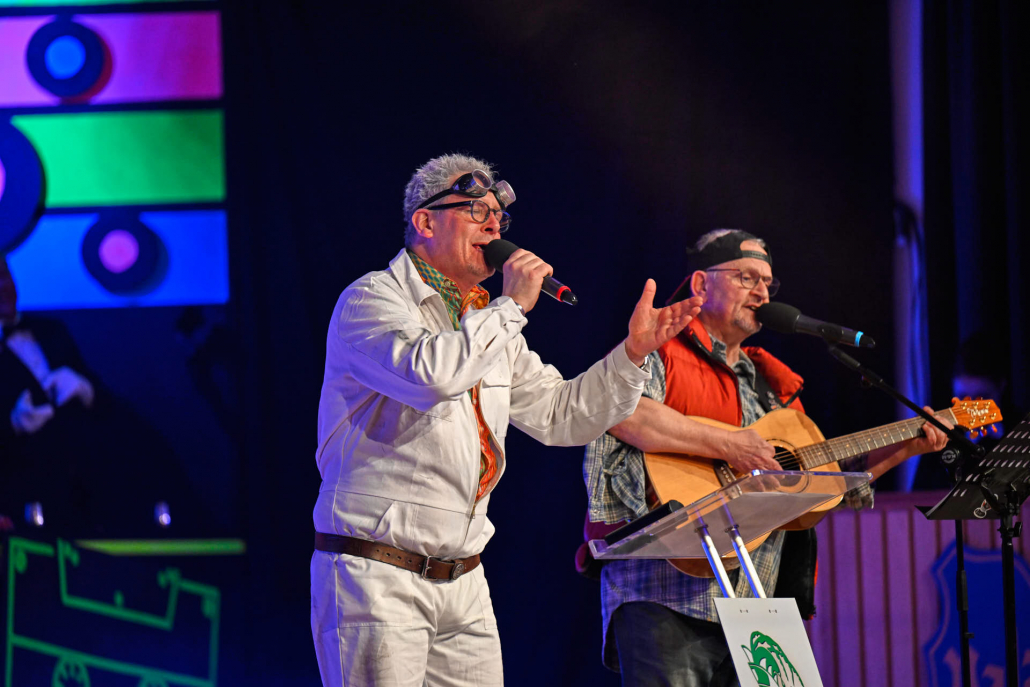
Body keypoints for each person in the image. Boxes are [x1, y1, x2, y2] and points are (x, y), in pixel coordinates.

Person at [309, 153, 703, 686]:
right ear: (425, 222)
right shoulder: (371, 300)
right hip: (378, 572)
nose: (494, 225)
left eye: (499, 215)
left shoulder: (485, 320)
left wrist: (633, 353)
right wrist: (511, 306)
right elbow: (431, 376)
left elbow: (561, 415)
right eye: (476, 210)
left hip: (464, 577)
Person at [580, 229, 950, 686]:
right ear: (701, 284)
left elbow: (828, 481)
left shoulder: (771, 386)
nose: (762, 292)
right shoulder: (658, 351)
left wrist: (909, 445)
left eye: (768, 283)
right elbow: (619, 412)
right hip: (666, 593)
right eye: (746, 277)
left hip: (756, 600)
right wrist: (728, 445)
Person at [1, 255, 95, 531]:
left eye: (5, 276)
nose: (2, 286)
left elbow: (103, 397)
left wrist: (85, 388)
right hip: (19, 498)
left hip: (81, 490)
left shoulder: (52, 330)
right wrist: (12, 424)